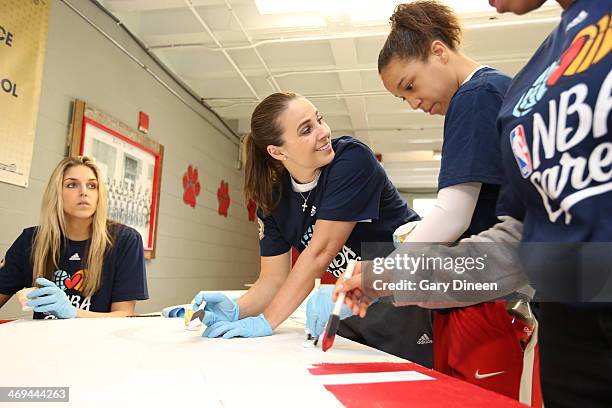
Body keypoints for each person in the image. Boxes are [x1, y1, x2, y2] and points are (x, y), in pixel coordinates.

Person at [339, 0, 611, 406]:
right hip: (560, 311)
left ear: (438, 51)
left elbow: (454, 213)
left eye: (411, 86)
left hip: (507, 304)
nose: (413, 104)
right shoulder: (531, 83)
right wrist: (387, 278)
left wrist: (391, 268)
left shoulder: (478, 94)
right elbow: (520, 238)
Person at [191, 92, 434, 366]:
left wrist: (267, 321)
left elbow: (320, 253)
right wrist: (237, 309)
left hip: (403, 296)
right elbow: (273, 279)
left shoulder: (352, 160)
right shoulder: (273, 200)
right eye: (307, 129)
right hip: (351, 304)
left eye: (319, 120)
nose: (324, 132)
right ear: (277, 151)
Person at [0, 156, 149, 318]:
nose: (84, 192)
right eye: (72, 185)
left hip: (99, 341)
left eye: (92, 186)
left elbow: (123, 315)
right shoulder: (30, 240)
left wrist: (72, 312)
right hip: (44, 341)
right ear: (56, 193)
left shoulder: (125, 240)